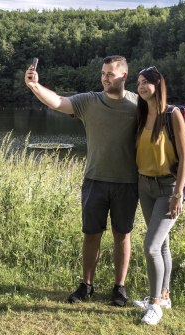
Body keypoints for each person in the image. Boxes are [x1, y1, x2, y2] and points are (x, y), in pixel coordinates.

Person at [25, 55, 138, 306]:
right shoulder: (89, 101)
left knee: (123, 235)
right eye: (102, 73)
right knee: (91, 234)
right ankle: (86, 285)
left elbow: (164, 122)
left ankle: (119, 288)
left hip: (128, 183)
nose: (105, 78)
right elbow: (58, 102)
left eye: (110, 74)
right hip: (94, 180)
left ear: (124, 76)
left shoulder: (138, 104)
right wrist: (34, 86)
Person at [133, 66, 185, 325]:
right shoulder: (142, 113)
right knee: (162, 244)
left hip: (168, 188)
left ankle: (154, 305)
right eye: (139, 83)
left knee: (151, 246)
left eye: (146, 82)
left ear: (158, 84)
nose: (141, 86)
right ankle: (164, 295)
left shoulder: (172, 114)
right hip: (145, 186)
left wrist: (179, 193)